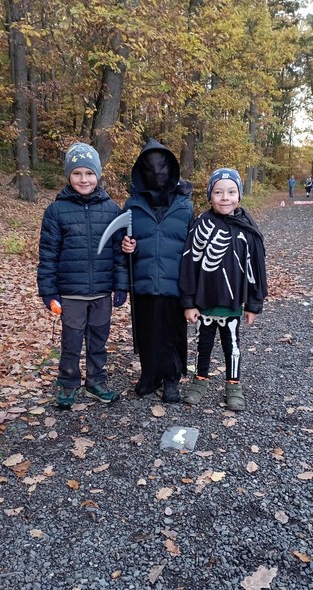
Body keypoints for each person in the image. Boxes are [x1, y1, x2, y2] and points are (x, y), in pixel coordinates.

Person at [37, 142, 128, 408]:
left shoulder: (112, 210)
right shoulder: (56, 211)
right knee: (71, 342)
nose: (84, 179)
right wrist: (49, 292)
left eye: (89, 173)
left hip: (101, 291)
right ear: (69, 175)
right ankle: (68, 384)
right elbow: (48, 255)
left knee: (98, 341)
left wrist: (121, 286)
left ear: (97, 174)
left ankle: (96, 382)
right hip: (71, 293)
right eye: (77, 173)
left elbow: (119, 253)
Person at [179, 168, 267, 411]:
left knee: (232, 346)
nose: (225, 197)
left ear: (239, 196)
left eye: (231, 192)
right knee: (203, 345)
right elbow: (189, 263)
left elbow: (255, 268)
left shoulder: (247, 228)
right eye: (218, 192)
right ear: (210, 196)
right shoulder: (200, 224)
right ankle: (200, 381)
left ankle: (234, 385)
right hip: (204, 302)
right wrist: (188, 302)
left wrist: (254, 303)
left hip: (232, 304)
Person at [121, 138, 194, 403]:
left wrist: (193, 288)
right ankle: (150, 375)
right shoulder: (132, 206)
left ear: (171, 170)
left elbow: (193, 248)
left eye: (162, 168)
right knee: (148, 331)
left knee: (172, 332)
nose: (157, 174)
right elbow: (123, 243)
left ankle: (172, 378)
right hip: (144, 281)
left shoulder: (184, 206)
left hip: (174, 282)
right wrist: (128, 247)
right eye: (150, 169)